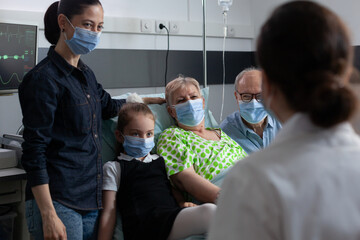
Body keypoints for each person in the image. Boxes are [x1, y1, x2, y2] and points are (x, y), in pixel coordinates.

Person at [208, 1, 360, 239]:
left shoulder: (252, 181)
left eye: (257, 94)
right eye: (246, 96)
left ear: (268, 87)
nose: (253, 101)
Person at [18, 1, 163, 239]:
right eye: (87, 25)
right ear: (63, 23)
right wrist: (48, 214)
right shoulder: (42, 80)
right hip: (59, 201)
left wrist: (149, 99)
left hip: (91, 200)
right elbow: (34, 151)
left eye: (99, 27)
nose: (94, 33)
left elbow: (109, 106)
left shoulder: (86, 75)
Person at [98, 103, 216, 240]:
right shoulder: (114, 168)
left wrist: (181, 202)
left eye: (149, 134)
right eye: (136, 134)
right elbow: (109, 212)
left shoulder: (160, 161)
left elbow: (170, 188)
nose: (144, 139)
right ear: (119, 135)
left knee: (216, 221)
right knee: (211, 212)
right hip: (144, 226)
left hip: (169, 218)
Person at [157, 76, 247, 204]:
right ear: (172, 111)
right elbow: (187, 179)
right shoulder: (172, 136)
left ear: (203, 102)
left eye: (193, 97)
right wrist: (228, 200)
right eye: (181, 100)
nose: (189, 102)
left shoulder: (219, 133)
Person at [220, 67, 282, 154]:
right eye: (246, 96)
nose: (254, 103)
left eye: (260, 96)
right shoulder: (226, 133)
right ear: (236, 97)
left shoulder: (283, 122)